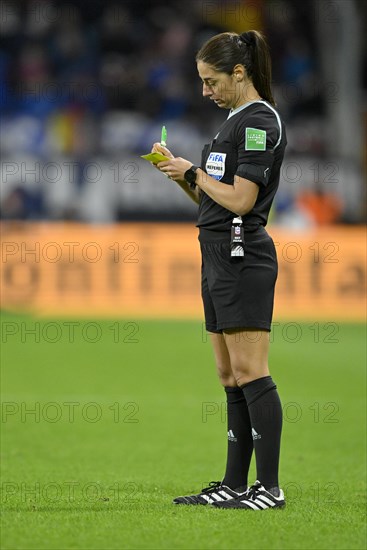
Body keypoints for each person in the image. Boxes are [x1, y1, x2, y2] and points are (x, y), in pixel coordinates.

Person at [151, 30, 287, 510]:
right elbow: (215, 198)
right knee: (229, 374)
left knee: (252, 371)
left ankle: (268, 489)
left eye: (211, 81)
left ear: (239, 72)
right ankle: (233, 484)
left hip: (241, 255)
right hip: (216, 252)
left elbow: (243, 201)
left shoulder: (257, 124)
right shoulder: (233, 121)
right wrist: (181, 173)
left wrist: (194, 172)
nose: (205, 91)